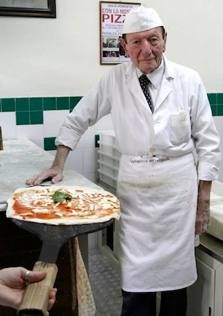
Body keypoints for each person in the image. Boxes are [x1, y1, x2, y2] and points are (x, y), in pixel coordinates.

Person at [26, 6, 221, 316]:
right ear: (125, 46)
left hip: (178, 197)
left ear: (165, 39)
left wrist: (202, 205)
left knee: (175, 287)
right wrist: (58, 163)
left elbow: (209, 143)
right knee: (135, 286)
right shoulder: (115, 80)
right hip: (136, 197)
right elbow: (80, 117)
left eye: (153, 40)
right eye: (137, 42)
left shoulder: (188, 80)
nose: (147, 50)